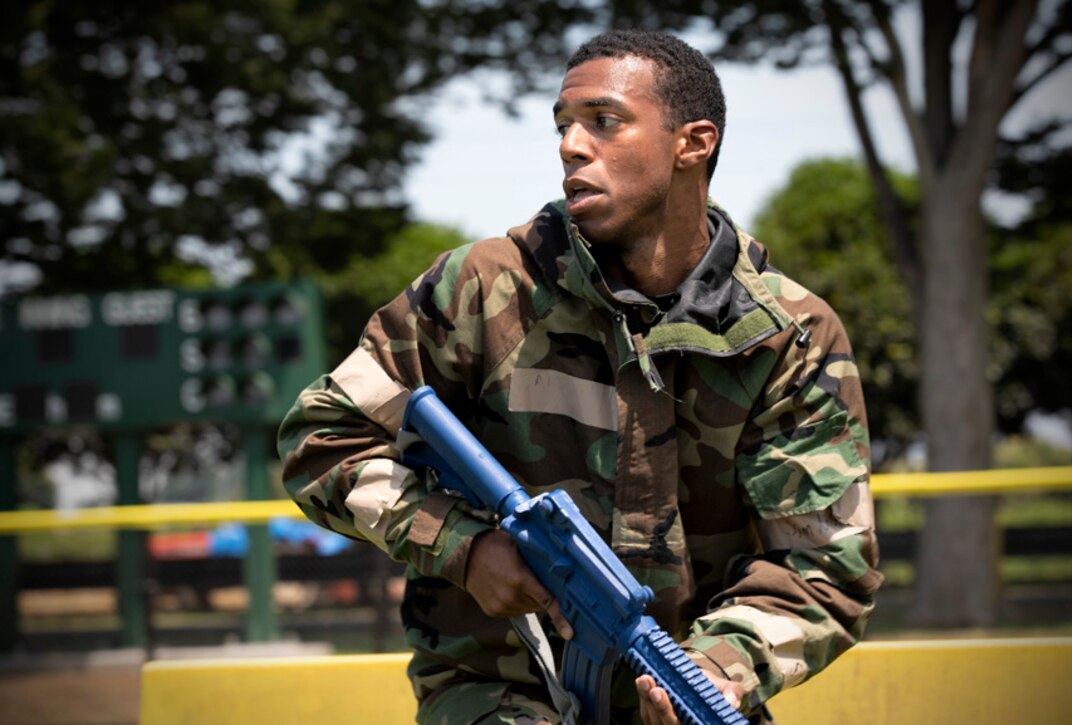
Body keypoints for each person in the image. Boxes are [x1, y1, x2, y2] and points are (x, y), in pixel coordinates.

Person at [278, 29, 881, 725]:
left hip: (693, 695)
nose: (570, 145)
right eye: (563, 125)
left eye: (604, 121)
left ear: (694, 142)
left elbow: (824, 567)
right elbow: (320, 436)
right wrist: (464, 548)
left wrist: (718, 673)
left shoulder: (788, 335)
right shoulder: (483, 290)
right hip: (497, 693)